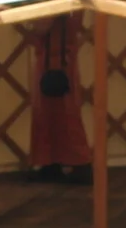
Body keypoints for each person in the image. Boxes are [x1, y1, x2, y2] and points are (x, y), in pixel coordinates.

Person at [27, 15, 92, 182]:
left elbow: (43, 26)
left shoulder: (69, 4)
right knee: (46, 114)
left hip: (61, 63)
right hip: (50, 62)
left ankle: (80, 163)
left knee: (66, 115)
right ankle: (51, 163)